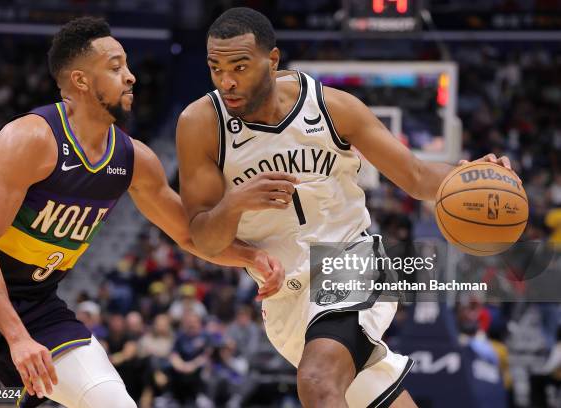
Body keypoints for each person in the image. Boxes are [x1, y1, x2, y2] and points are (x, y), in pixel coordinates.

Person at [176, 7, 519, 407]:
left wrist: (473, 176)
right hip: (284, 295)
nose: (227, 81)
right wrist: (234, 204)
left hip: (350, 261)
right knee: (356, 392)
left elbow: (416, 175)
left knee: (318, 379)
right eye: (215, 68)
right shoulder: (200, 123)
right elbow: (204, 237)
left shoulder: (331, 107)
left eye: (239, 66)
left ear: (272, 61)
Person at [0, 16, 284, 408]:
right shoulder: (31, 139)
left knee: (113, 402)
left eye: (126, 66)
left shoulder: (134, 159)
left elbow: (189, 235)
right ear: (80, 81)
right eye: (115, 67)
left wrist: (251, 257)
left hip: (35, 306)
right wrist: (17, 338)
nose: (130, 78)